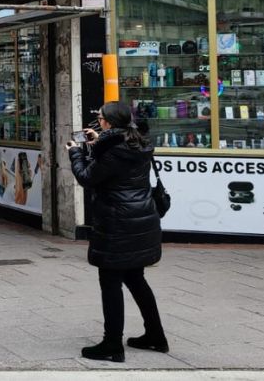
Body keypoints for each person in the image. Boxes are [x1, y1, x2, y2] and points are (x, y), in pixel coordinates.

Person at [67, 101, 167, 363]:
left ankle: (112, 344)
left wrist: (75, 153)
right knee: (136, 279)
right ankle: (155, 335)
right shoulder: (138, 143)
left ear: (108, 122)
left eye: (100, 117)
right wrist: (99, 141)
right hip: (141, 220)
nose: (97, 120)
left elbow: (87, 177)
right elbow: (117, 158)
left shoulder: (112, 151)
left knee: (110, 283)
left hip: (117, 224)